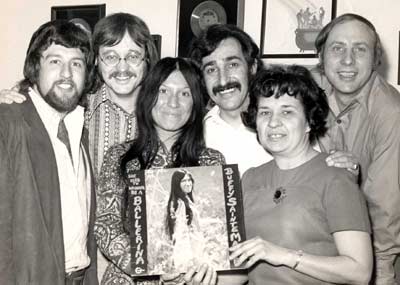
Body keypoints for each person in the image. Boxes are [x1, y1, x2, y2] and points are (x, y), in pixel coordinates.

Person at [229, 65, 373, 284]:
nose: (273, 122)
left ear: (308, 121)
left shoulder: (335, 177)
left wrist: (285, 256)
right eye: (265, 112)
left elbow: (360, 272)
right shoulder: (249, 179)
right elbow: (239, 271)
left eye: (287, 112)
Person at [95, 57, 224, 285]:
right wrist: (151, 269)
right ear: (148, 97)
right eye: (163, 91)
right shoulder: (120, 157)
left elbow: (216, 238)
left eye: (184, 94)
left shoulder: (211, 163)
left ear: (195, 104)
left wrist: (204, 269)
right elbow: (106, 225)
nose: (173, 102)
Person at [0, 20, 98, 284]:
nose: (67, 73)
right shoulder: (8, 122)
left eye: (76, 63)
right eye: (55, 61)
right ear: (35, 67)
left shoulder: (78, 129)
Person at [313, 13, 400, 284]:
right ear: (321, 56)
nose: (348, 61)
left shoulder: (392, 112)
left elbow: (385, 206)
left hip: (370, 248)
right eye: (338, 48)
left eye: (360, 50)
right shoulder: (307, 90)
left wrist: (381, 274)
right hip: (313, 242)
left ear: (375, 60)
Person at [189, 24, 272, 176]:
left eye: (232, 65)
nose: (223, 80)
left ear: (252, 67)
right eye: (211, 70)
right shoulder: (194, 136)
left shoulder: (281, 125)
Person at [166, 170, 206, 272]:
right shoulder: (180, 203)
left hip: (195, 246)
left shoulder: (186, 199)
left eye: (189, 180)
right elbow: (181, 231)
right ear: (177, 184)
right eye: (184, 181)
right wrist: (189, 257)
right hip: (188, 252)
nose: (188, 183)